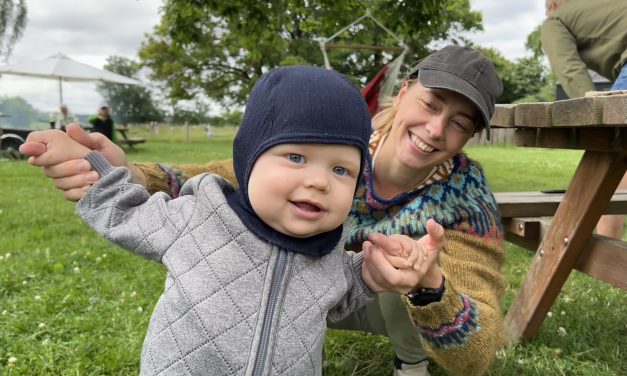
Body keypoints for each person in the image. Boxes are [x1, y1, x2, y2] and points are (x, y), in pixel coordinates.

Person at [21, 45, 506, 376]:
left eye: (460, 122)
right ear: (404, 93)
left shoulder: (465, 200)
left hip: (345, 291)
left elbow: (478, 353)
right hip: (252, 308)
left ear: (470, 136)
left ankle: (410, 360)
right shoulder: (334, 134)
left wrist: (428, 286)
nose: (437, 128)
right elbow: (229, 176)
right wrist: (124, 173)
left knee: (401, 271)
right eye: (432, 104)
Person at [541, 0, 627, 239]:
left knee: (612, 152)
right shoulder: (605, 7)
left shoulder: (555, 20)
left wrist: (594, 112)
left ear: (554, 4)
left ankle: (607, 255)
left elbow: (569, 69)